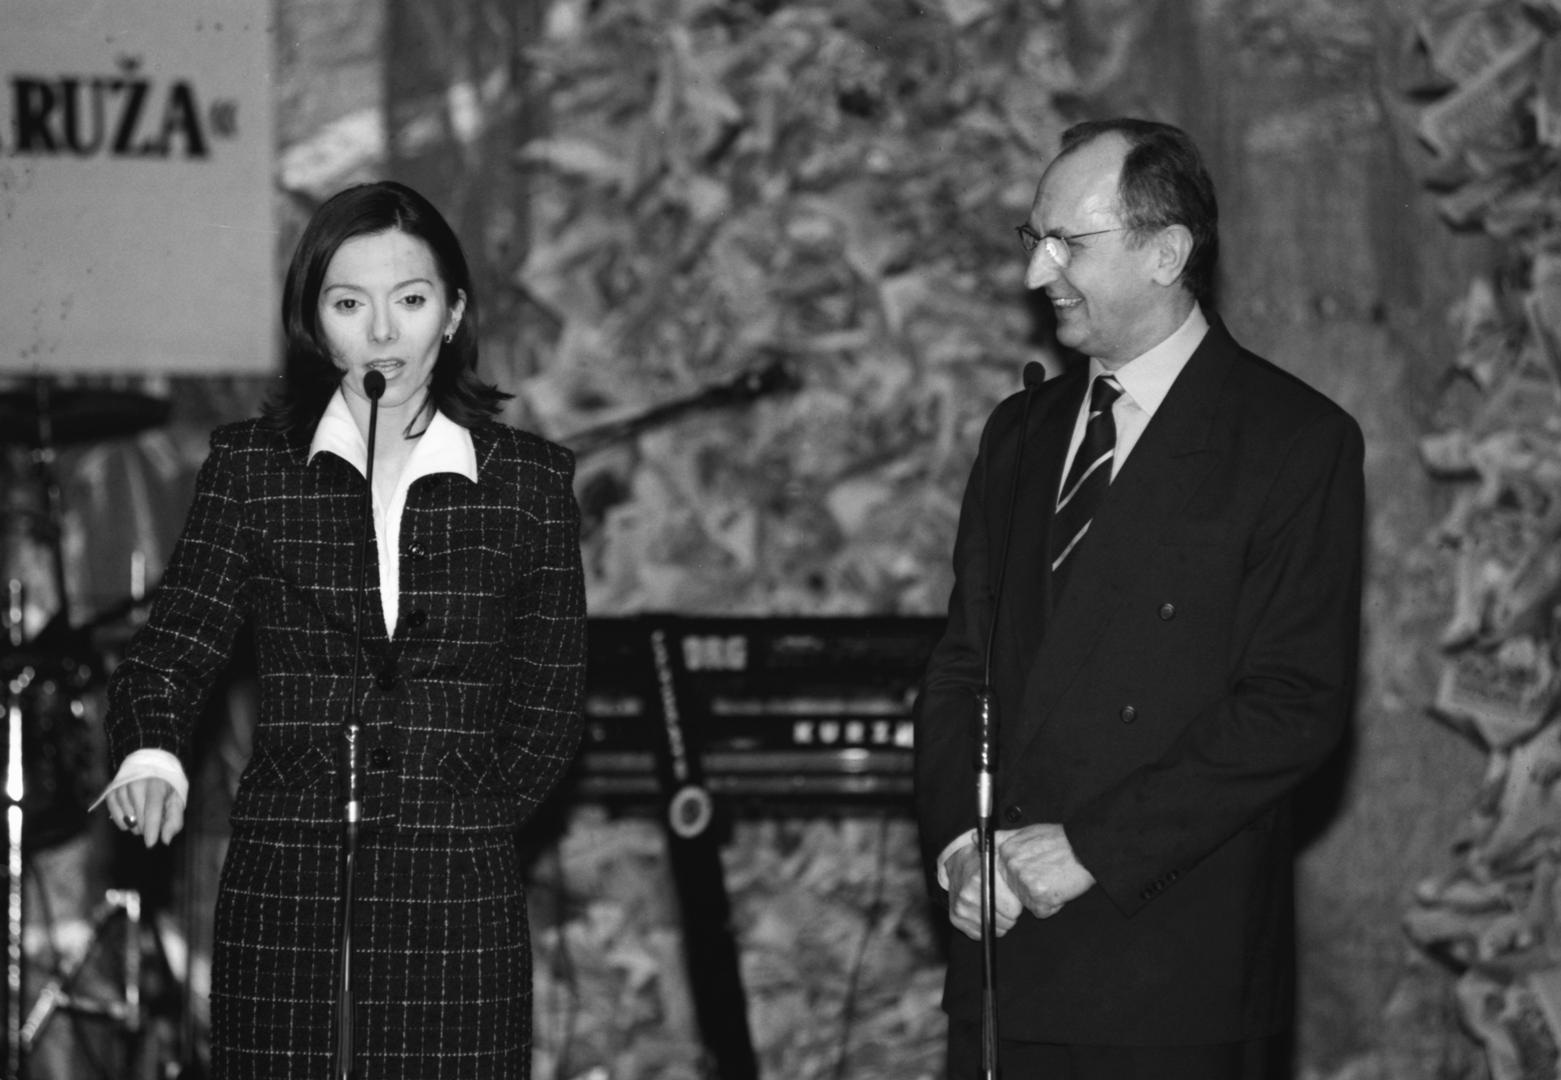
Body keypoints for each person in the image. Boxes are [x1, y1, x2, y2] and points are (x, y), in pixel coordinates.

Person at [97, 180, 586, 1078]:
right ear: (315, 323)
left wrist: (460, 821)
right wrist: (151, 755)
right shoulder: (254, 470)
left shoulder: (527, 484)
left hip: (459, 893)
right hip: (287, 886)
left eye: (410, 300)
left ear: (453, 313)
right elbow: (168, 658)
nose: (384, 332)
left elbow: (549, 703)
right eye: (350, 304)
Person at [914, 118, 1364, 1079]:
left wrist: (1089, 848)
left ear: (1166, 253)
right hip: (1001, 965)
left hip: (1168, 972)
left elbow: (1292, 706)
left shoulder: (1291, 441)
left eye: (1066, 243)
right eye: (1032, 239)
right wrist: (961, 843)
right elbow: (961, 666)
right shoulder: (1020, 431)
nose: (1038, 274)